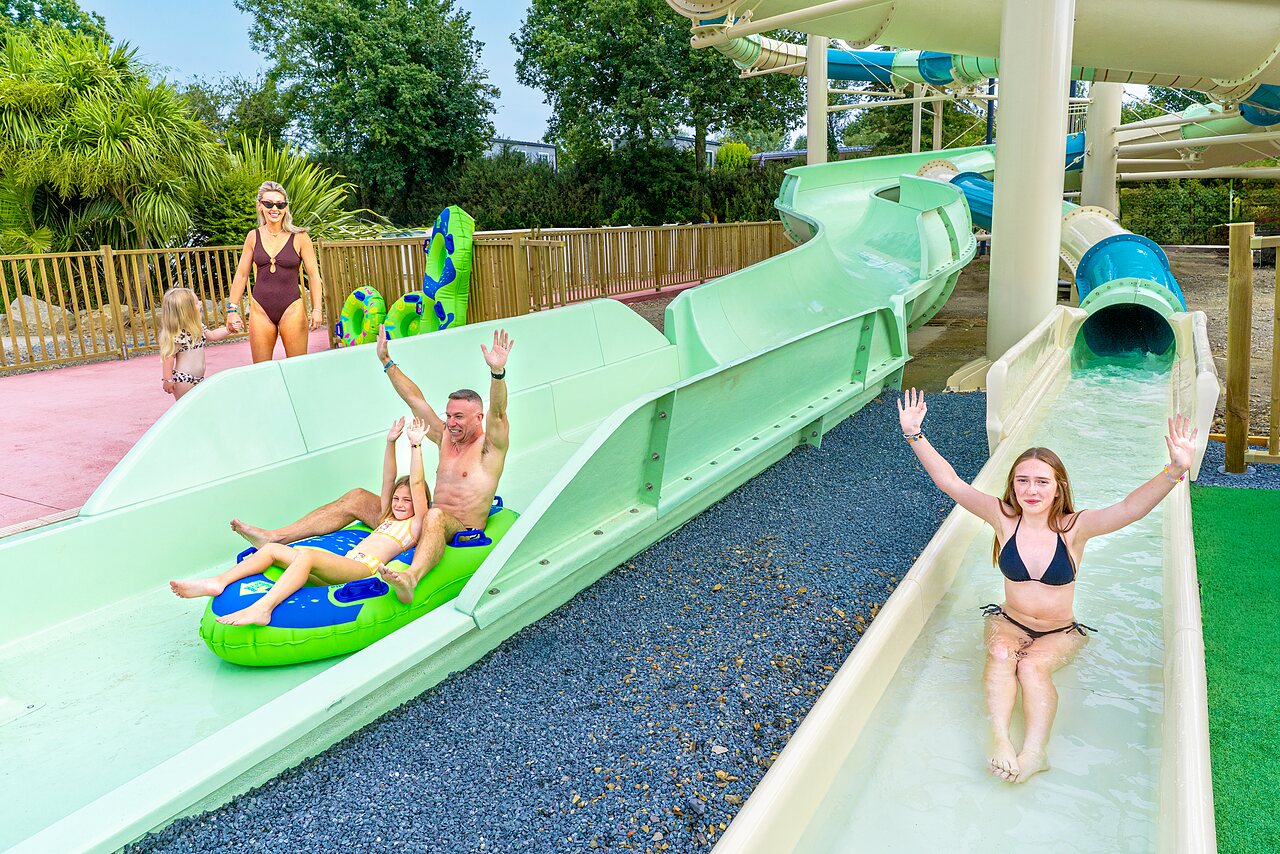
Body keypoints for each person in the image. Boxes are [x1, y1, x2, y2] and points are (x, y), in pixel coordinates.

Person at [897, 388, 1196, 784]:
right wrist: (915, 435)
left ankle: (1035, 752)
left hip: (1059, 631)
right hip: (1009, 620)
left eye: (1041, 481)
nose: (1031, 490)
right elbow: (951, 482)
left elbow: (1129, 508)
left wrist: (1174, 470)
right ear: (1013, 485)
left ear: (1059, 487)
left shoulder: (1074, 528)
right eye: (1022, 481)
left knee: (1033, 668)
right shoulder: (1003, 518)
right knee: (1003, 654)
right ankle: (1000, 739)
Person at [230, 325, 515, 605]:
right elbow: (415, 398)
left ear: (478, 417)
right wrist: (386, 361)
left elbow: (499, 412)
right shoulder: (444, 438)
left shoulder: (489, 448)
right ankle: (275, 536)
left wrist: (497, 373)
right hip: (417, 518)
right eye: (449, 415)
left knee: (435, 516)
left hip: (458, 526)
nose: (450, 423)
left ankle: (411, 578)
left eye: (459, 417)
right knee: (356, 497)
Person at [173, 417, 431, 625]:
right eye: (397, 498)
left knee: (306, 555)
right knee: (271, 549)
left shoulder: (416, 524)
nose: (398, 504)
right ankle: (218, 581)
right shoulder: (387, 515)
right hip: (344, 565)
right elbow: (388, 478)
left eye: (406, 501)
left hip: (364, 570)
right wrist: (390, 442)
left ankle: (263, 608)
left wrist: (415, 446)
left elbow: (417, 484)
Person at [224, 181, 325, 363]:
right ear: (260, 206)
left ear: (286, 208)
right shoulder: (253, 236)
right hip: (260, 310)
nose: (275, 209)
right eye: (269, 203)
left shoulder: (300, 237)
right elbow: (241, 275)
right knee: (261, 370)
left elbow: (314, 275)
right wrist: (232, 309)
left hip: (291, 309)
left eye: (280, 204)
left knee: (297, 367)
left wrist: (317, 309)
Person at [157, 287, 232, 400]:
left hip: (198, 378)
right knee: (186, 408)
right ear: (187, 310)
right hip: (184, 380)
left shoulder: (198, 327)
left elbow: (212, 335)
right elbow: (168, 356)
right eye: (196, 303)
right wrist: (168, 380)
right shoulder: (178, 334)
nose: (201, 304)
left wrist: (228, 330)